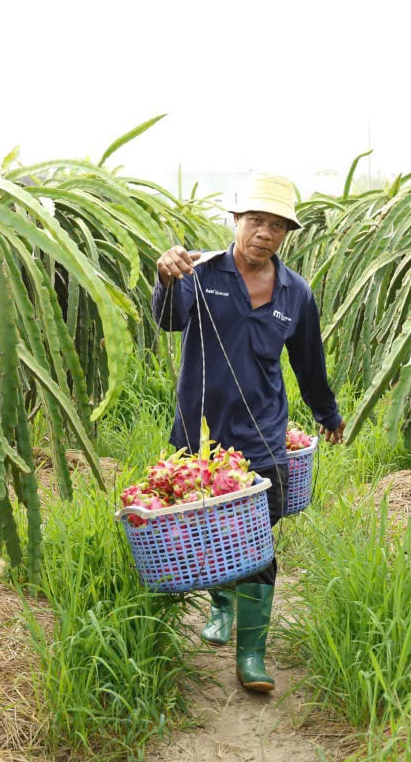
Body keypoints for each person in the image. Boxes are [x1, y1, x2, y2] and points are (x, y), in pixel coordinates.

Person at [151, 173, 345, 693]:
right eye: (256, 220)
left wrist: (327, 414)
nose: (265, 233)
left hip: (264, 436)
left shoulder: (295, 293)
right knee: (206, 529)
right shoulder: (199, 271)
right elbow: (170, 321)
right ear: (234, 220)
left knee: (257, 538)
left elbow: (309, 364)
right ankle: (221, 604)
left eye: (277, 225)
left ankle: (251, 655)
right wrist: (166, 278)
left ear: (286, 234)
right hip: (201, 436)